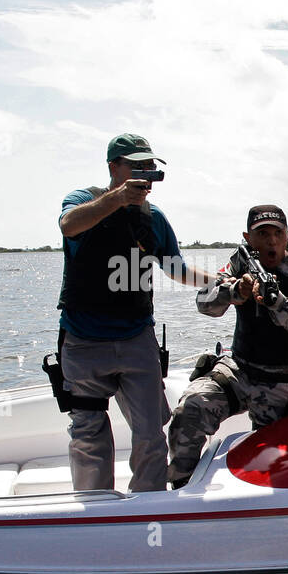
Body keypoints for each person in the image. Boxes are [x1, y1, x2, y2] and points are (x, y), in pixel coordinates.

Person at [56, 133, 217, 492]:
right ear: (114, 167)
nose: (145, 175)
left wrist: (221, 281)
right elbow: (69, 225)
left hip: (136, 340)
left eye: (150, 168)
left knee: (150, 434)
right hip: (83, 342)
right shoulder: (84, 200)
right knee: (89, 433)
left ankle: (147, 508)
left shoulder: (153, 218)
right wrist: (117, 199)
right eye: (137, 166)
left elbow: (177, 269)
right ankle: (95, 511)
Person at [165, 205, 288, 488]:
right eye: (262, 234)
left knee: (276, 462)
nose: (271, 241)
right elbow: (204, 304)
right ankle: (181, 491)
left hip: (282, 380)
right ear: (248, 237)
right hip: (239, 370)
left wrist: (278, 302)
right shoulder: (239, 263)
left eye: (278, 233)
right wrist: (233, 291)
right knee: (190, 409)